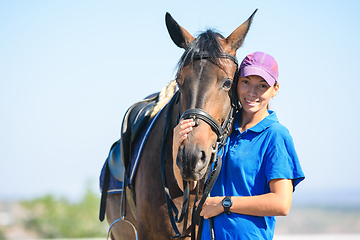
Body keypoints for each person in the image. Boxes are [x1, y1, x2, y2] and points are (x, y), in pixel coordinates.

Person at [172, 51, 305, 239]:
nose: (252, 92)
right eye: (246, 82)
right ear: (236, 84)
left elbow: (282, 203)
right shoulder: (222, 132)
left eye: (262, 86)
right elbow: (190, 186)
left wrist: (225, 203)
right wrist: (177, 147)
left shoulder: (275, 135)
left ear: (275, 89)